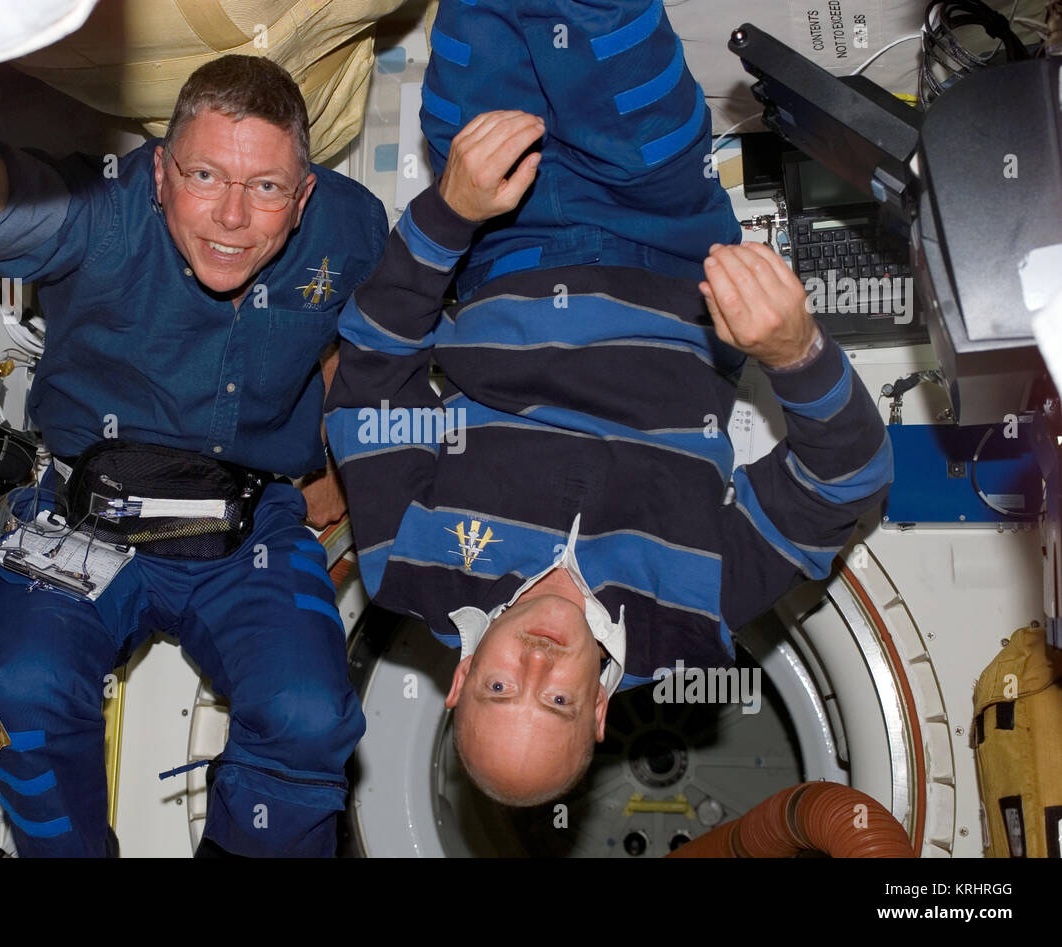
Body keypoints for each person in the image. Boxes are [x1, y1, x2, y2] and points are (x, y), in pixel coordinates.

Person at [325, 0, 892, 806]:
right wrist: (796, 353)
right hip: (666, 225)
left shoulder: (409, 567)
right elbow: (847, 483)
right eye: (555, 700)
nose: (537, 665)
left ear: (459, 681)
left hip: (497, 233)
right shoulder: (698, 615)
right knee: (601, 18)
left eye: (498, 690)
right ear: (596, 712)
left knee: (475, 23)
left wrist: (445, 216)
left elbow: (370, 382)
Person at [0, 55, 388, 856]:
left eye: (265, 188)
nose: (230, 216)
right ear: (160, 172)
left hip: (251, 524)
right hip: (84, 507)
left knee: (310, 713)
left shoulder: (352, 224)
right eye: (205, 174)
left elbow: (357, 331)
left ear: (304, 195)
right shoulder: (103, 209)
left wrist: (337, 459)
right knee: (22, 692)